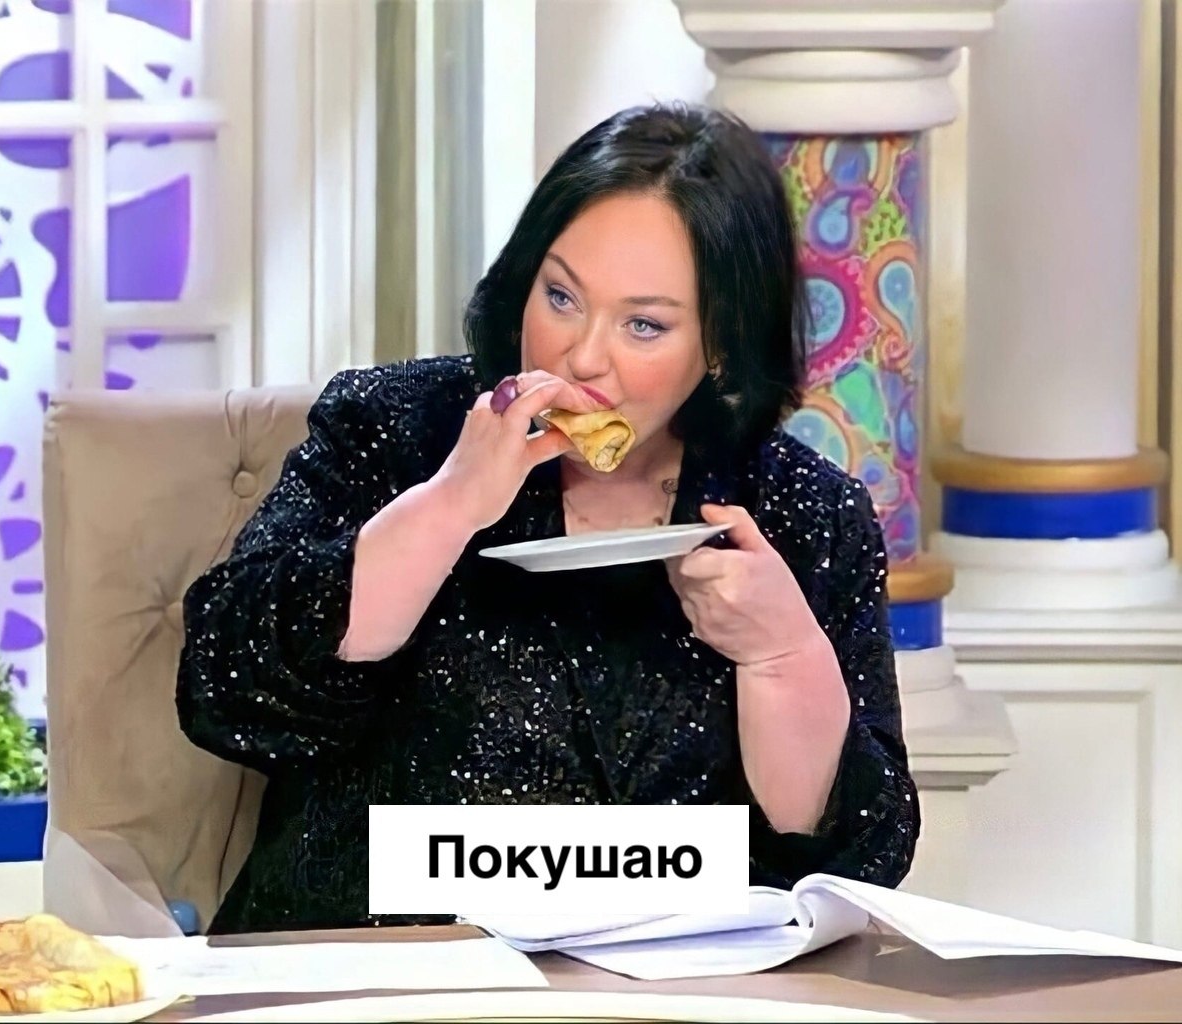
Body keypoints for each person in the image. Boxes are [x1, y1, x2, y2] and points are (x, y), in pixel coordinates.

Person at [177, 102, 920, 935]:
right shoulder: (395, 427)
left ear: (719, 345)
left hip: (668, 981)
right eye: (561, 296)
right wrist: (449, 505)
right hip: (375, 958)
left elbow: (859, 862)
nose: (583, 355)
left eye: (644, 325)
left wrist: (783, 656)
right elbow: (222, 687)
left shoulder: (804, 511)